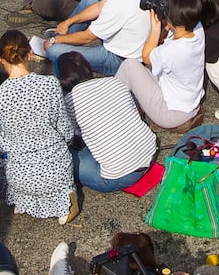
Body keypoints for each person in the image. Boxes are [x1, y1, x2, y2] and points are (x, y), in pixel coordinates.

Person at [0, 32, 77, 223]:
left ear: (0, 59)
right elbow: (66, 131)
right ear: (28, 54)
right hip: (55, 170)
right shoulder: (50, 84)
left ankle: (23, 200)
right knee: (64, 168)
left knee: (4, 164)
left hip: (20, 177)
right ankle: (65, 204)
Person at [57, 54, 156, 193]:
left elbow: (70, 133)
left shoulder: (71, 99)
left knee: (57, 156)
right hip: (150, 151)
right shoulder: (114, 82)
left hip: (120, 176)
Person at [115, 0, 207, 130]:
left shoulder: (172, 51)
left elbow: (146, 57)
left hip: (171, 113)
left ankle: (112, 108)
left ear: (171, 20)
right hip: (189, 103)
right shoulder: (197, 29)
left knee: (130, 66)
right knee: (141, 72)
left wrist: (155, 29)